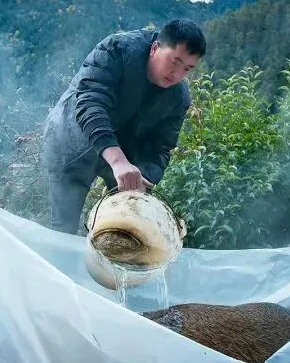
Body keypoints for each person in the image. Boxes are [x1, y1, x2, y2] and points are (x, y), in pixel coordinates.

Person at [41, 19, 206, 234]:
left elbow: (160, 147)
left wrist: (144, 177)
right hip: (72, 139)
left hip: (125, 153)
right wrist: (118, 161)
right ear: (155, 48)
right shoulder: (117, 49)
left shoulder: (178, 98)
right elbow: (91, 104)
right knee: (64, 227)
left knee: (124, 230)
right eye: (174, 62)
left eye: (187, 68)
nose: (177, 74)